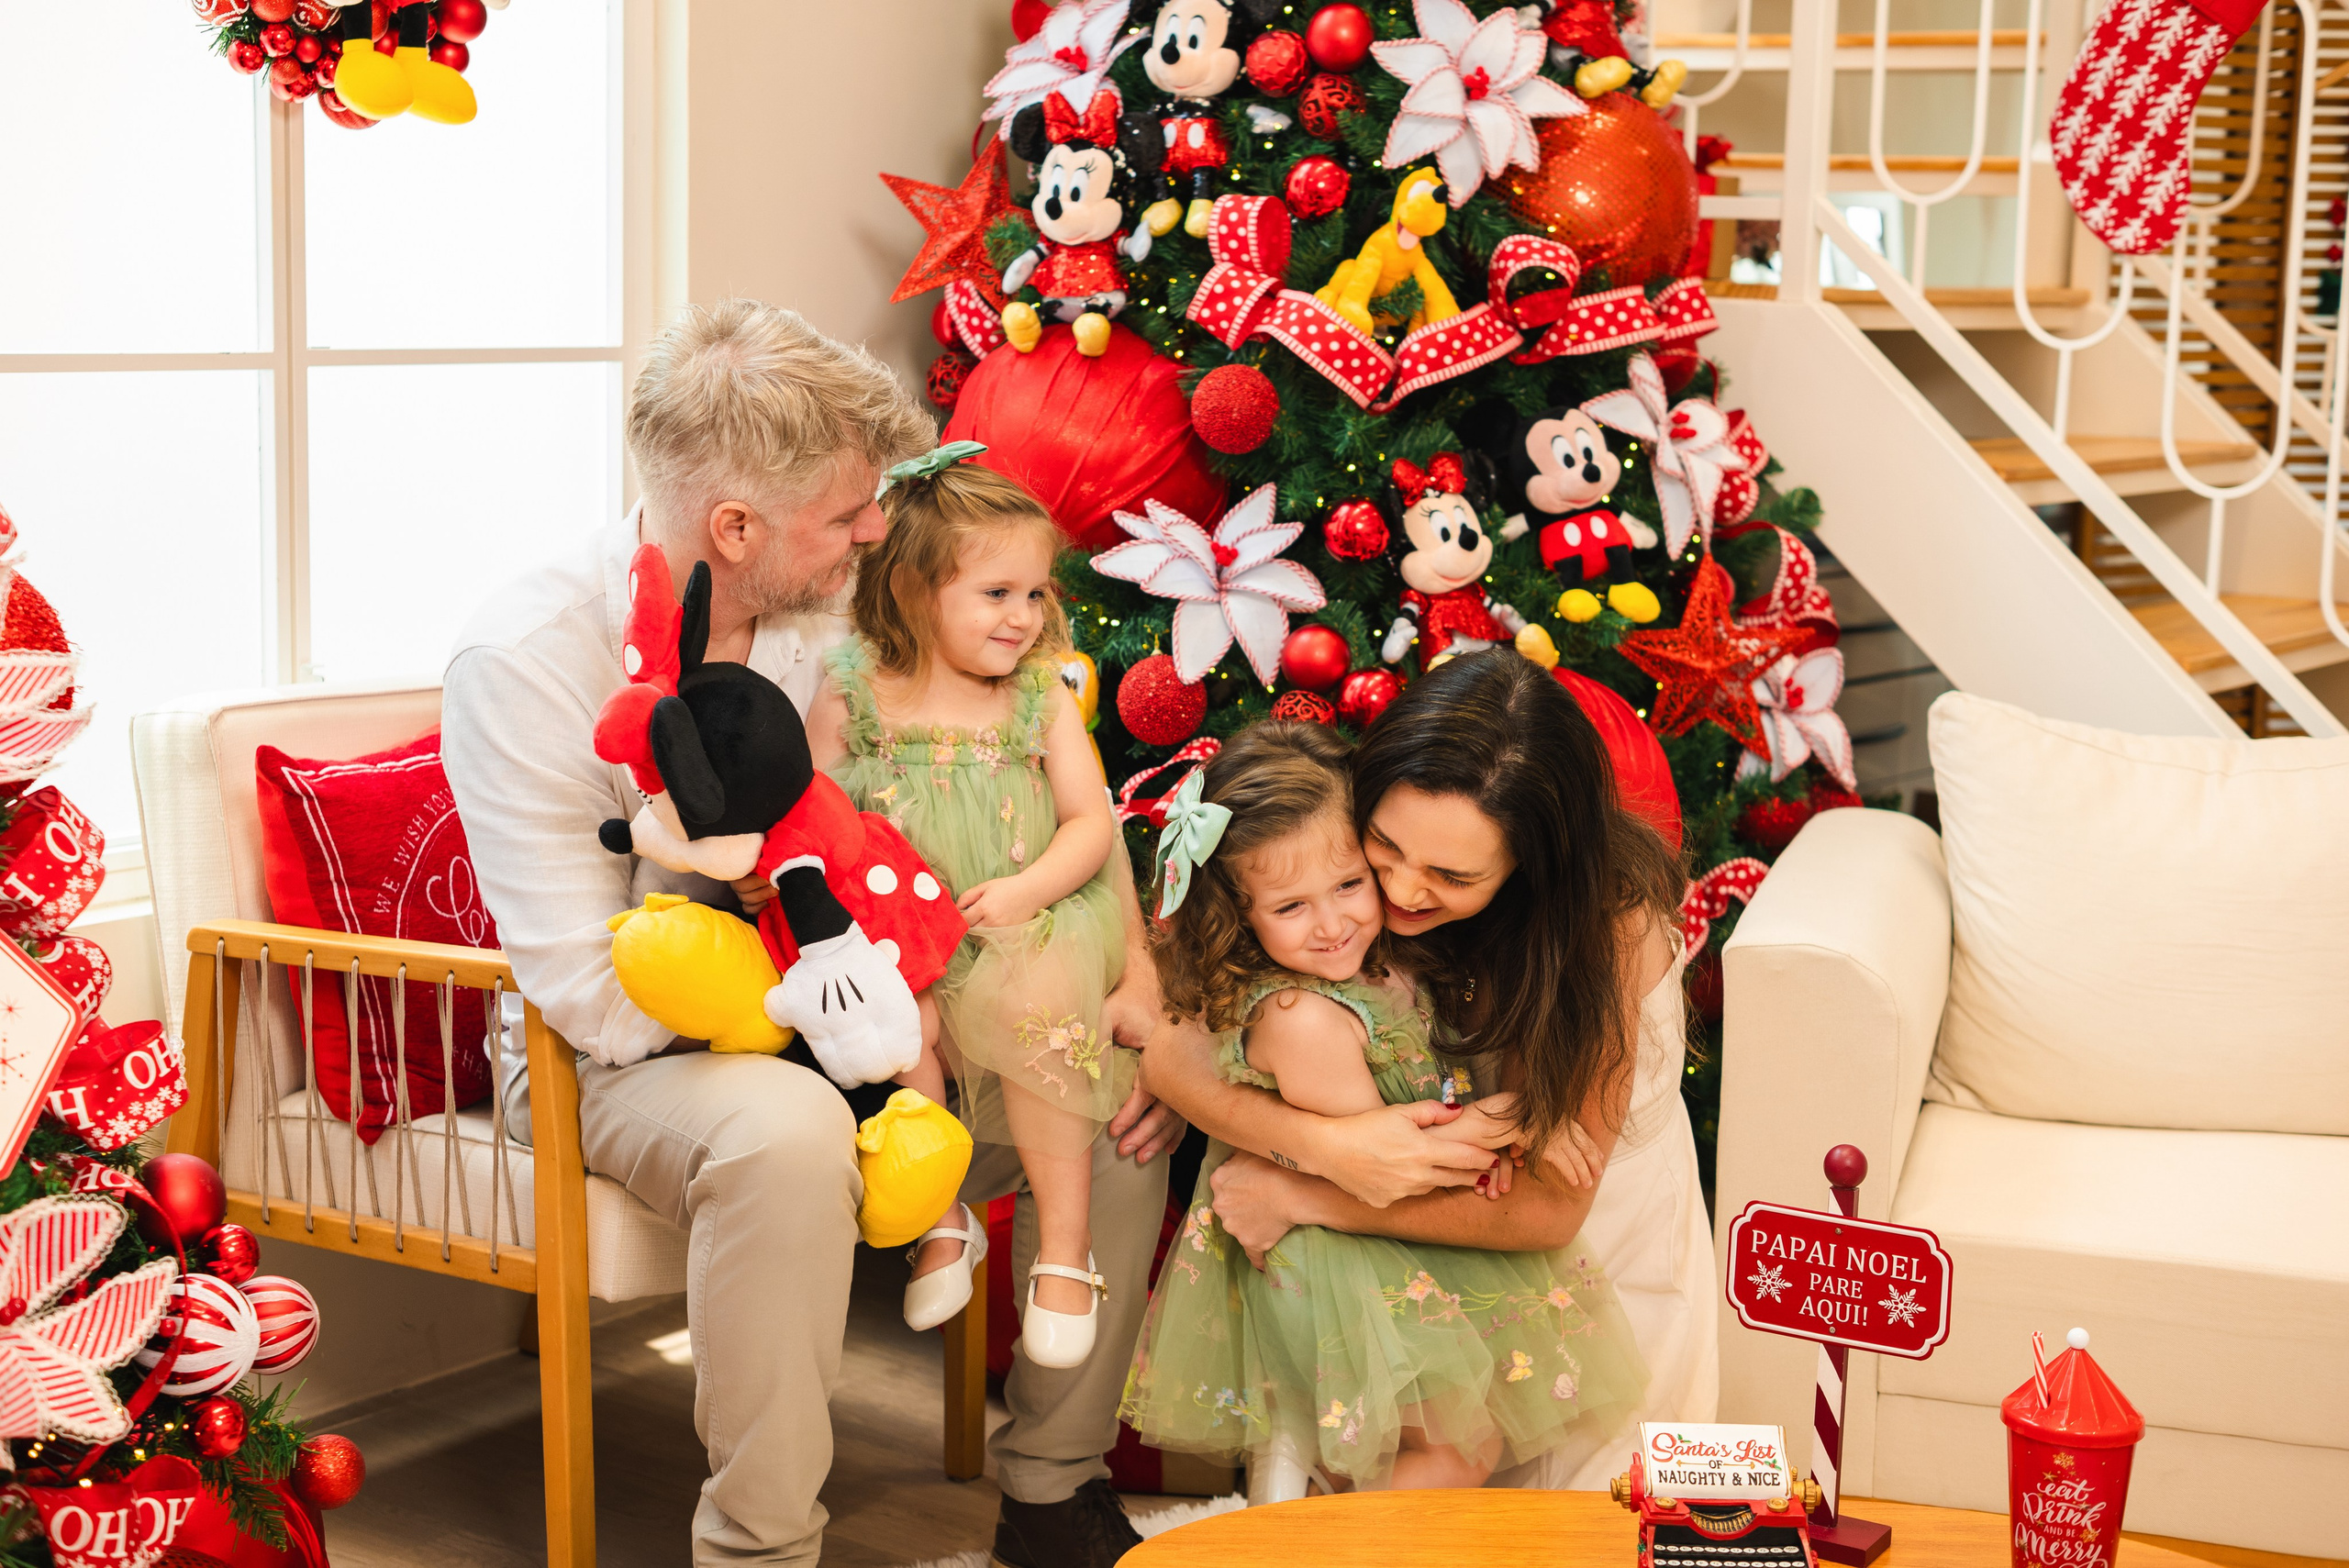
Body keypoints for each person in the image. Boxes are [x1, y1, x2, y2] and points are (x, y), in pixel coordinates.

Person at [441, 300, 1185, 1568]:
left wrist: (1121, 986)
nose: (874, 532)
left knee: (1108, 1090)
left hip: (875, 998)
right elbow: (591, 993)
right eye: (846, 515)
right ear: (737, 528)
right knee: (789, 1135)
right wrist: (838, 1022)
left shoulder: (843, 612)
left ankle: (1053, 1486)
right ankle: (761, 1549)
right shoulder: (526, 659)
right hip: (625, 1054)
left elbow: (1033, 798)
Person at [1138, 651, 1719, 1490]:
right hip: (1426, 1225)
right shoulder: (1334, 867)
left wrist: (1303, 1193)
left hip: (1585, 1251)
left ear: (1529, 866)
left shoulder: (1606, 929)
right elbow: (1171, 1052)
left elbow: (1550, 1210)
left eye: (1452, 876)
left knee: (1569, 1516)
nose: (1402, 891)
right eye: (1385, 847)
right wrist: (1325, 1147)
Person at [804, 453, 1127, 1365]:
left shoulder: (1036, 695)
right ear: (913, 590)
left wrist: (1028, 891)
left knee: (1038, 1007)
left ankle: (1065, 1249)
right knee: (905, 1020)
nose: (1023, 617)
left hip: (1022, 923)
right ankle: (939, 1216)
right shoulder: (854, 689)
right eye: (996, 594)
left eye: (1034, 593)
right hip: (902, 929)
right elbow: (812, 814)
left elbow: (1090, 821)